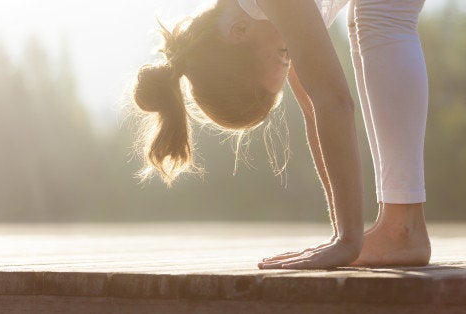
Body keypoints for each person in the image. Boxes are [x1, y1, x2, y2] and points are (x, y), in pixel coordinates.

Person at [133, 0, 430, 269]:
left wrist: (348, 242)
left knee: (382, 16)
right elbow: (315, 110)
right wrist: (341, 232)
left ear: (238, 32)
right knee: (377, 14)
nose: (288, 56)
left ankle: (403, 226)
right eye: (284, 55)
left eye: (283, 55)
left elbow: (335, 102)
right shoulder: (261, 23)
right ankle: (401, 226)